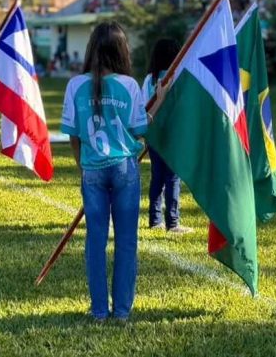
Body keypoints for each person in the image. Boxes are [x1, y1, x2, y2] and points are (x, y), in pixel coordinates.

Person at [60, 21, 149, 321]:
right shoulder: (130, 86)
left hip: (92, 170)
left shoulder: (75, 85)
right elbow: (139, 131)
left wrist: (82, 167)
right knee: (126, 242)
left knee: (95, 242)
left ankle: (99, 311)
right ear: (122, 50)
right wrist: (156, 104)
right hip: (125, 168)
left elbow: (73, 135)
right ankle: (122, 311)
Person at [141, 39, 191, 234]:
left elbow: (144, 106)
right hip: (172, 135)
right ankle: (173, 222)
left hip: (152, 134)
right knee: (172, 178)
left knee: (157, 178)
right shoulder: (177, 77)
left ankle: (155, 220)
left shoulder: (148, 80)